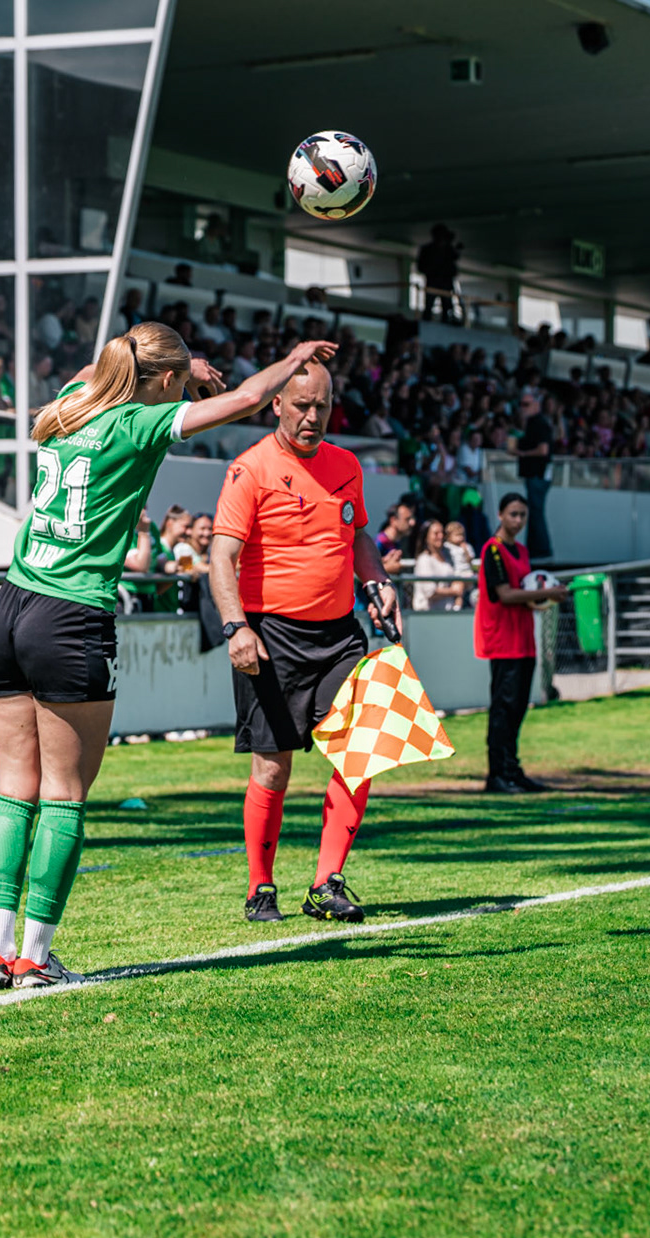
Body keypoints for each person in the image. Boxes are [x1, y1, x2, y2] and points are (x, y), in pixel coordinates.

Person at [0, 323, 332, 988]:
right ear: (165, 383)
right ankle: (34, 958)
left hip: (11, 605)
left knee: (12, 791)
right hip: (72, 613)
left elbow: (107, 367)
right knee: (63, 797)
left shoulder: (68, 405)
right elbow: (249, 399)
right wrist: (292, 359)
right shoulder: (136, 424)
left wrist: (183, 366)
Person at [209, 358, 398, 926]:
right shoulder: (250, 469)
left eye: (322, 406)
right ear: (277, 406)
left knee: (359, 753)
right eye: (301, 406)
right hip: (271, 637)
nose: (312, 416)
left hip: (340, 634)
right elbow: (221, 557)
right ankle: (259, 886)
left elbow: (357, 533)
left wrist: (378, 582)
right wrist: (235, 626)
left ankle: (327, 882)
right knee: (273, 769)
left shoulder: (346, 465)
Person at [476, 492, 569, 793]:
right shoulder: (493, 550)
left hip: (523, 639)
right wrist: (549, 593)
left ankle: (512, 770)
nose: (518, 520)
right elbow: (505, 594)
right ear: (501, 515)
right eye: (513, 514)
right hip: (503, 640)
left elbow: (526, 590)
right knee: (503, 708)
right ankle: (497, 775)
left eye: (522, 515)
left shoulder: (523, 552)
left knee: (516, 708)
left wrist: (545, 594)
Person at [514, 399, 554, 561]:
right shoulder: (531, 424)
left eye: (526, 404)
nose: (523, 408)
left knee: (536, 512)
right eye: (521, 404)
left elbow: (543, 450)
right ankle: (535, 550)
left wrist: (523, 454)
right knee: (533, 512)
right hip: (534, 475)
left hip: (538, 475)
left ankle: (541, 551)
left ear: (536, 406)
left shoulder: (539, 423)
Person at [411, 520, 467, 612]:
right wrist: (453, 591)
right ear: (426, 537)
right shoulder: (424, 560)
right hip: (428, 614)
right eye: (436, 533)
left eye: (442, 533)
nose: (440, 536)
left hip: (447, 612)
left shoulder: (449, 557)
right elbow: (429, 591)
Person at [417, 223, 461, 323]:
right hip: (433, 282)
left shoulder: (448, 250)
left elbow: (454, 261)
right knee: (429, 305)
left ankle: (444, 323)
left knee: (446, 306)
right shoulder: (427, 250)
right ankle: (426, 323)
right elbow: (421, 266)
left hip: (445, 283)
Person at [374, 500, 415, 575]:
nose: (412, 523)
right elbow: (367, 569)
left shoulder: (400, 542)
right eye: (407, 519)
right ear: (393, 520)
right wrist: (387, 568)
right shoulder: (380, 542)